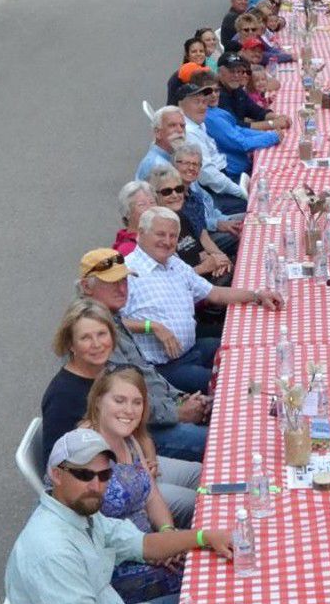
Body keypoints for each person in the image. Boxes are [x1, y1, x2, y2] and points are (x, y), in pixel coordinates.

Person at [4, 427, 232, 604]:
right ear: (56, 474)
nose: (96, 485)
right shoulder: (50, 551)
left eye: (104, 475)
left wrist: (203, 537)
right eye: (84, 474)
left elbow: (143, 544)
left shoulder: (80, 511)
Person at [123, 207, 282, 392]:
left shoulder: (173, 263)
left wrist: (257, 295)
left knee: (248, 351)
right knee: (233, 385)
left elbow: (214, 293)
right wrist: (152, 326)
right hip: (164, 368)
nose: (167, 241)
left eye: (173, 236)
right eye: (160, 234)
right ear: (141, 233)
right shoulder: (127, 271)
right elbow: (110, 322)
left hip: (192, 349)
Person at [76, 249, 210, 464]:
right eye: (112, 283)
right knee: (220, 446)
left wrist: (180, 397)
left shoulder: (113, 317)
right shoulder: (93, 334)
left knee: (227, 417)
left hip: (154, 414)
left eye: (124, 281)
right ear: (85, 287)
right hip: (137, 433)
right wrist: (178, 413)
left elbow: (145, 371)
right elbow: (121, 402)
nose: (122, 289)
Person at [83, 370, 186, 604]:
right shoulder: (86, 452)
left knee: (207, 557)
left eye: (136, 402)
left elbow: (152, 496)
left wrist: (167, 533)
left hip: (148, 545)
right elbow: (92, 534)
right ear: (98, 401)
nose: (129, 410)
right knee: (200, 575)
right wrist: (152, 551)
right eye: (119, 401)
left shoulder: (128, 439)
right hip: (116, 568)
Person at [40, 300, 122, 470]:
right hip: (99, 479)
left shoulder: (108, 372)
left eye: (102, 334)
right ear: (71, 344)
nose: (97, 344)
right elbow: (54, 464)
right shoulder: (62, 396)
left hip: (127, 458)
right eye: (86, 338)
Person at [145, 162, 230, 282]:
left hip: (204, 278)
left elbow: (200, 253)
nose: (175, 195)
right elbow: (168, 279)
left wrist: (218, 261)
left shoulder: (181, 218)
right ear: (155, 196)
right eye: (167, 192)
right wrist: (203, 268)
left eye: (179, 189)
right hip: (189, 288)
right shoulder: (156, 231)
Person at [177, 79, 248, 215]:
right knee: (253, 206)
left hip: (222, 178)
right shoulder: (190, 132)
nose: (203, 107)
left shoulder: (197, 122)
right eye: (196, 102)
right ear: (181, 106)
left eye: (204, 102)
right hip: (212, 191)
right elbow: (208, 175)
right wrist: (239, 191)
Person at [197, 68, 281, 178]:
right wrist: (272, 137)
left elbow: (238, 129)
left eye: (216, 91)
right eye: (208, 92)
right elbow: (241, 143)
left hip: (244, 166)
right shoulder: (210, 118)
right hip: (235, 175)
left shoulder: (215, 110)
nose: (214, 95)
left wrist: (269, 135)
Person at [135, 105, 186, 183]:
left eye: (182, 126)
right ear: (157, 133)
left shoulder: (171, 157)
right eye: (172, 125)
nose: (180, 130)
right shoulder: (157, 165)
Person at [113, 181, 154, 257]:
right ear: (127, 213)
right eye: (142, 205)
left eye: (152, 202)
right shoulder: (127, 250)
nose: (150, 209)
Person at [165, 37, 207, 106]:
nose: (198, 54)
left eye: (201, 51)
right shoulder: (189, 69)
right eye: (194, 51)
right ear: (187, 55)